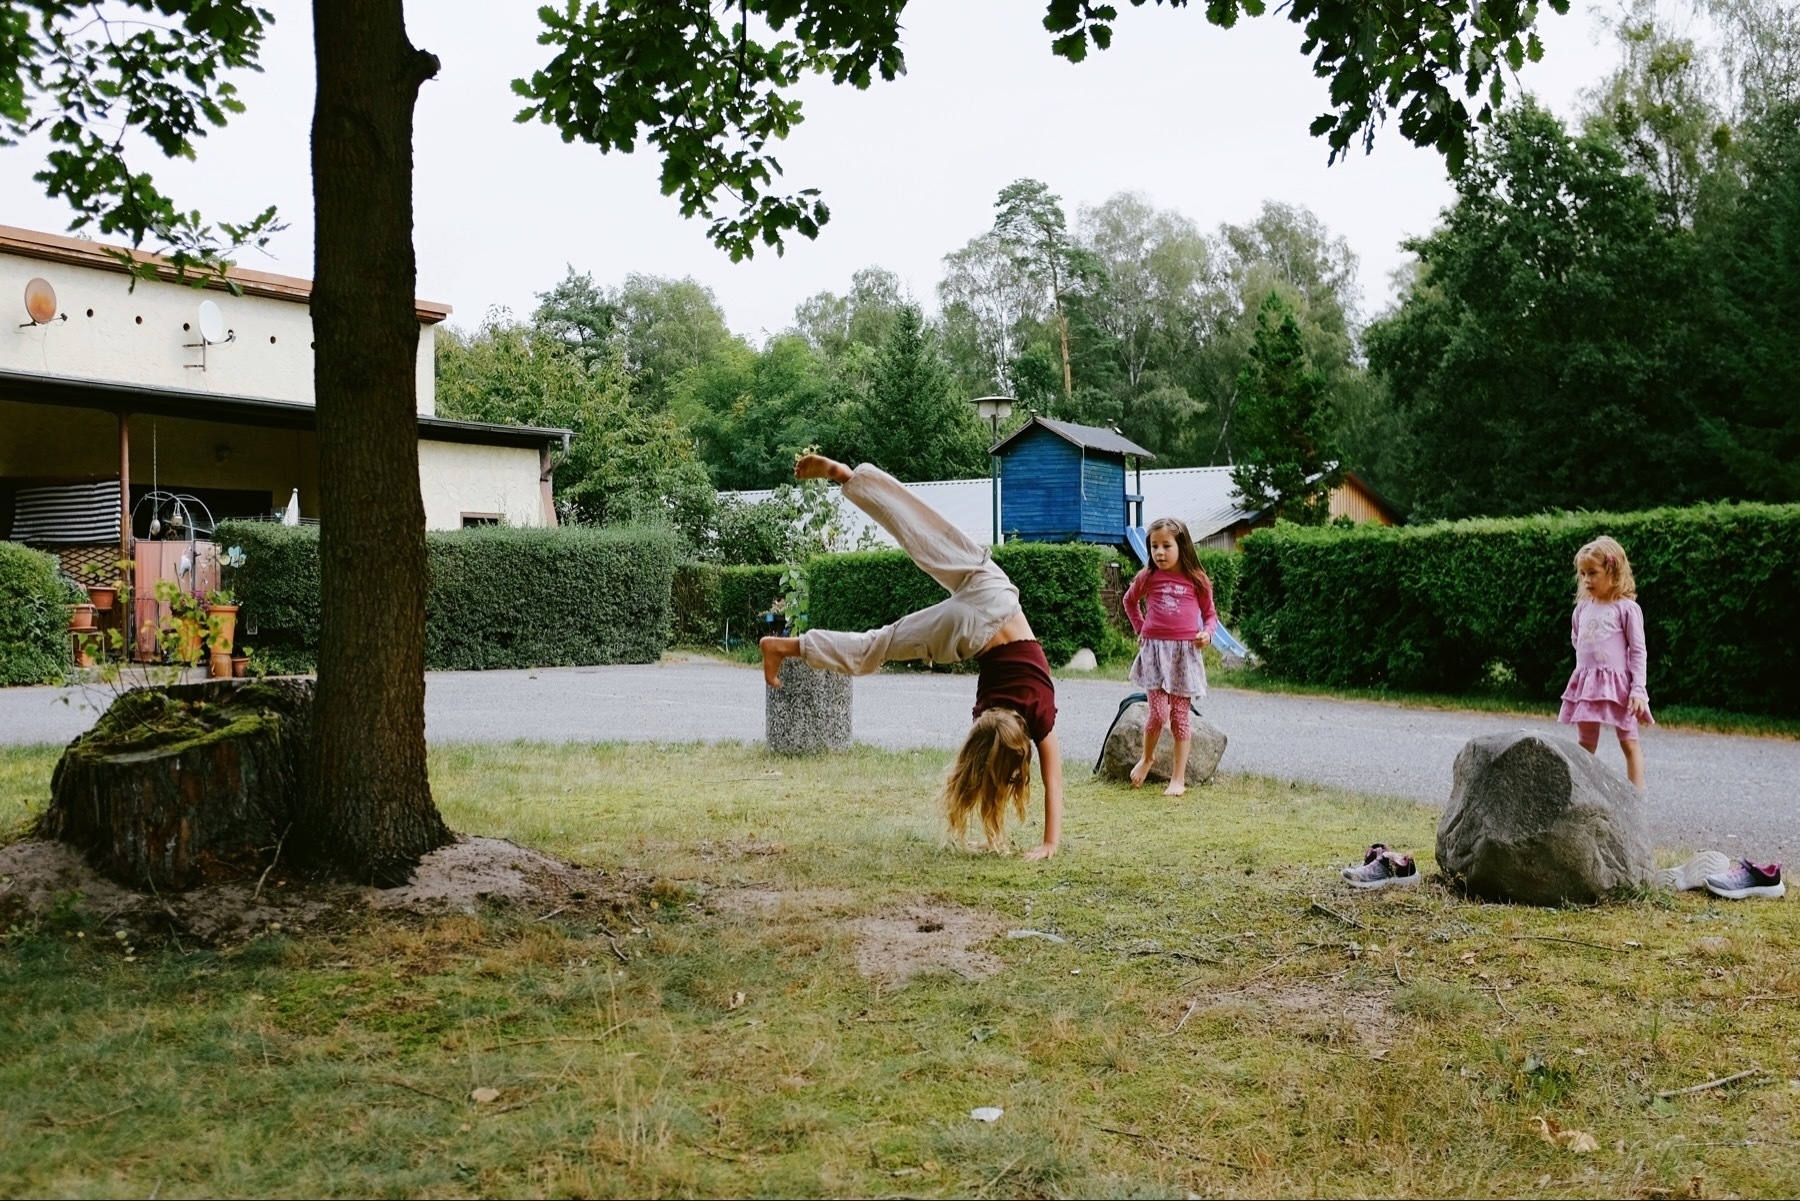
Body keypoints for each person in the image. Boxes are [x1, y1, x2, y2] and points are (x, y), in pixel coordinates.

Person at [760, 455, 1062, 860]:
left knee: (921, 527)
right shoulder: (989, 717)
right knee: (876, 646)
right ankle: (787, 646)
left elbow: (1052, 775)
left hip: (995, 588)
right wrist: (1048, 843)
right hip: (970, 627)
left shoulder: (1038, 715)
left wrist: (1051, 841)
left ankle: (849, 477)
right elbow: (1046, 779)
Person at [1121, 517, 1217, 797]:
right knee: (1157, 713)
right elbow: (1129, 601)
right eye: (1154, 546)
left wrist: (1207, 635)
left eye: (1166, 545)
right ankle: (1147, 758)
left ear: (1182, 545)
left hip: (1184, 654)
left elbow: (1210, 616)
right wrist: (1141, 628)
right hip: (1154, 652)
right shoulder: (1147, 577)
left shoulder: (1196, 579)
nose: (1159, 552)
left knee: (1179, 717)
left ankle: (1178, 778)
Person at [1558, 535, 1654, 790]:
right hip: (1588, 684)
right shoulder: (1581, 609)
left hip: (1619, 686)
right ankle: (1581, 792)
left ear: (1612, 571)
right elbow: (1577, 640)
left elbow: (1638, 651)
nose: (1587, 579)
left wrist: (1638, 689)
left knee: (1629, 741)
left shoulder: (1627, 609)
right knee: (1586, 740)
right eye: (1582, 574)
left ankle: (1636, 797)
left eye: (1593, 573)